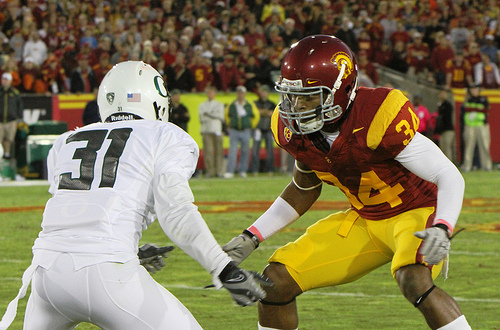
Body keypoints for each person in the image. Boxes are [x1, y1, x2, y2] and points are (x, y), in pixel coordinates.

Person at [222, 35, 471, 330]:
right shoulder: (294, 130)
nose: (295, 106)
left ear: (339, 90)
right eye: (291, 95)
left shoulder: (377, 114)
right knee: (275, 281)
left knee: (413, 278)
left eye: (308, 96)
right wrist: (251, 236)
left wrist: (442, 227)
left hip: (415, 213)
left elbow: (447, 173)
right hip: (366, 219)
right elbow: (304, 188)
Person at [0, 61, 269, 330]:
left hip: (47, 279)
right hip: (108, 273)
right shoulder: (165, 135)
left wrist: (130, 247)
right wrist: (224, 268)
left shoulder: (65, 141)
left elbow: (75, 211)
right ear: (156, 102)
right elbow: (175, 210)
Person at [224, 85, 259, 178]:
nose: (240, 95)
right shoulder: (232, 104)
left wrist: (251, 125)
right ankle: (230, 171)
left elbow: (256, 116)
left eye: (242, 93)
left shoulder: (249, 104)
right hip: (234, 130)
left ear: (244, 94)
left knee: (245, 151)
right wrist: (230, 124)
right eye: (239, 93)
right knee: (232, 151)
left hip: (245, 130)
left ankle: (243, 170)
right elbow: (227, 116)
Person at [460, 84, 492, 172]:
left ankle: (487, 166)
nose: (474, 91)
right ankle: (467, 166)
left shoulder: (483, 99)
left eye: (476, 89)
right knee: (469, 147)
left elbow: (485, 110)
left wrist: (474, 111)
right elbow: (465, 110)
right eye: (472, 89)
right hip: (470, 126)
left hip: (481, 125)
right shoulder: (468, 99)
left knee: (484, 146)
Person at [199, 86, 225, 178]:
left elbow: (221, 116)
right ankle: (210, 171)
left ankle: (219, 171)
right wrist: (213, 115)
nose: (210, 94)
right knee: (208, 152)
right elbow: (202, 118)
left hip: (217, 129)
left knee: (219, 151)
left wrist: (208, 114)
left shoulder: (219, 104)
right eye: (208, 93)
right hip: (206, 130)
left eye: (211, 92)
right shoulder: (202, 105)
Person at [250, 85, 276, 175]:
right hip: (258, 129)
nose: (264, 93)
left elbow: (272, 114)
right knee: (255, 151)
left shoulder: (272, 104)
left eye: (265, 91)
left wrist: (262, 112)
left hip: (268, 129)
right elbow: (256, 113)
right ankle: (254, 170)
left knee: (270, 151)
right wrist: (266, 112)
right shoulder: (256, 103)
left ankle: (270, 170)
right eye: (262, 91)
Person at [0, 72, 23, 160]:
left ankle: (6, 154)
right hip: (0, 119)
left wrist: (18, 117)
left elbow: (19, 105)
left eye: (7, 80)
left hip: (11, 120)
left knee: (9, 139)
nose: (5, 81)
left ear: (10, 81)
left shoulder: (15, 93)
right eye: (3, 79)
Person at [434, 89, 456, 163]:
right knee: (443, 148)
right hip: (442, 130)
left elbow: (446, 118)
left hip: (448, 129)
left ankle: (450, 163)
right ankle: (444, 164)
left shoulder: (447, 105)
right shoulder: (441, 105)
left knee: (447, 147)